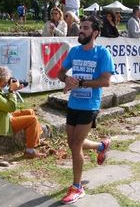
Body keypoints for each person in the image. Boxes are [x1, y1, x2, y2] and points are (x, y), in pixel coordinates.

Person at [57, 16, 115, 204]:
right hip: (74, 103)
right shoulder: (74, 52)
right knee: (72, 141)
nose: (81, 30)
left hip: (90, 105)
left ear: (95, 32)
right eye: (81, 27)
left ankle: (77, 187)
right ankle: (100, 146)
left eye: (86, 28)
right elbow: (59, 72)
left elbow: (105, 81)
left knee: (75, 145)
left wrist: (80, 82)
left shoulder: (102, 53)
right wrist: (67, 80)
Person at [0, 66, 43, 159]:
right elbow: (11, 107)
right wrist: (12, 91)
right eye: (7, 80)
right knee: (32, 120)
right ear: (1, 79)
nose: (8, 82)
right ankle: (29, 151)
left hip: (3, 116)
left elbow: (4, 103)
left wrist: (14, 90)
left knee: (30, 111)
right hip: (0, 123)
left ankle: (35, 142)